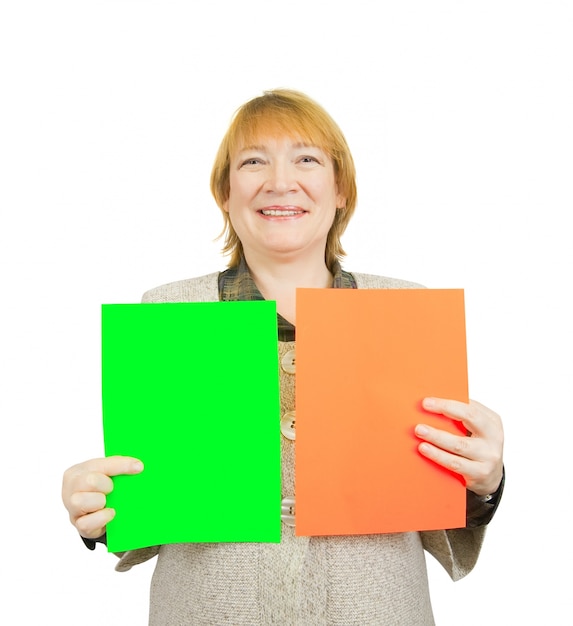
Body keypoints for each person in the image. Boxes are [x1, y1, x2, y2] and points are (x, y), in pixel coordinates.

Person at [62, 89, 504, 625]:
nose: (279, 180)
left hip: (375, 608)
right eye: (253, 161)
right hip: (210, 610)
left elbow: (436, 509)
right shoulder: (168, 313)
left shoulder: (404, 314)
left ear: (340, 190)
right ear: (225, 192)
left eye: (307, 159)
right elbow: (154, 504)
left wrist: (484, 481)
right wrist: (99, 509)